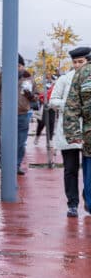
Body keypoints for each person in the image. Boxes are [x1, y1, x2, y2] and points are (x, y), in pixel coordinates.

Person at [52, 47, 90, 217]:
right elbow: (53, 101)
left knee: (88, 168)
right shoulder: (64, 79)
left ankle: (87, 197)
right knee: (70, 169)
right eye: (75, 62)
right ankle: (72, 203)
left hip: (87, 130)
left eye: (80, 61)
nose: (77, 65)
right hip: (68, 130)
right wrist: (69, 105)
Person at [0, 54, 35, 175]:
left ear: (23, 66)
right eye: (14, 66)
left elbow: (35, 96)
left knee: (20, 142)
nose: (16, 68)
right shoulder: (4, 76)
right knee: (4, 139)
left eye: (19, 66)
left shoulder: (28, 78)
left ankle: (16, 165)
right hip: (5, 113)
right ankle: (4, 161)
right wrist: (4, 71)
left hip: (22, 114)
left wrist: (31, 95)